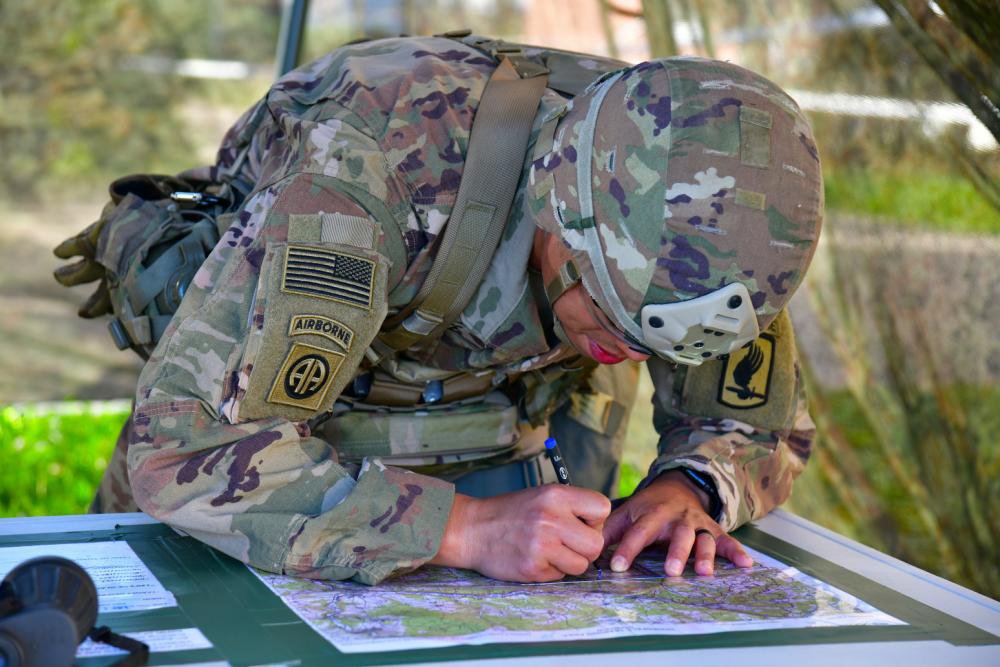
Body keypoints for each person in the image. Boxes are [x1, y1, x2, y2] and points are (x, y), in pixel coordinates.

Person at [53, 34, 821, 585]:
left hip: (507, 432)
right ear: (556, 207)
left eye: (648, 343)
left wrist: (687, 489)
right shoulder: (369, 169)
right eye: (608, 313)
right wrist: (466, 530)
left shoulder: (706, 199)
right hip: (285, 438)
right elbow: (184, 449)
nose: (617, 347)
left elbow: (759, 422)